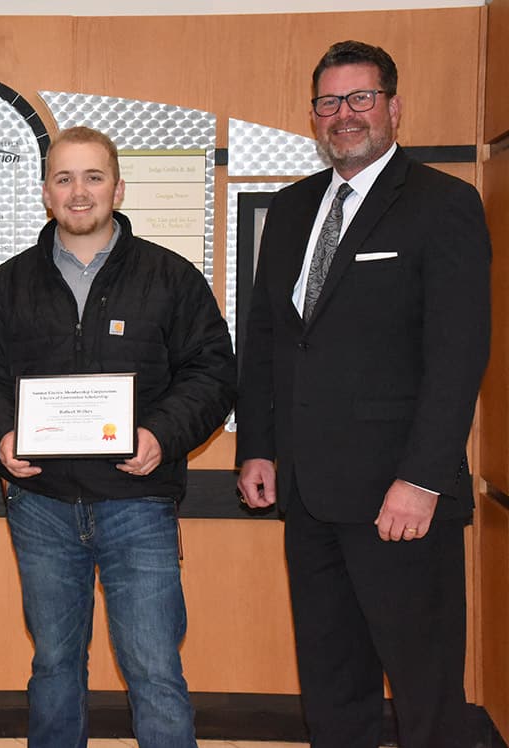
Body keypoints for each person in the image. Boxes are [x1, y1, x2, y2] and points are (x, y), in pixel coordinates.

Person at [236, 40, 491, 748]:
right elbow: (267, 340)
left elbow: (458, 356)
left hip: (400, 499)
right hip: (309, 496)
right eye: (328, 102)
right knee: (331, 679)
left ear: (393, 108)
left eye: (360, 99)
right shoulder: (290, 211)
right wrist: (258, 447)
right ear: (313, 114)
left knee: (424, 687)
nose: (343, 115)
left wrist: (421, 478)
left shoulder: (444, 204)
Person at [0, 126, 236, 748]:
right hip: (41, 506)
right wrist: (3, 435)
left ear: (117, 186)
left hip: (138, 504)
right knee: (55, 668)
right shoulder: (11, 283)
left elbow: (214, 370)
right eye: (64, 178)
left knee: (154, 670)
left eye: (92, 177)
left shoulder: (170, 277)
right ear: (45, 192)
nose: (78, 192)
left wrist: (161, 436)